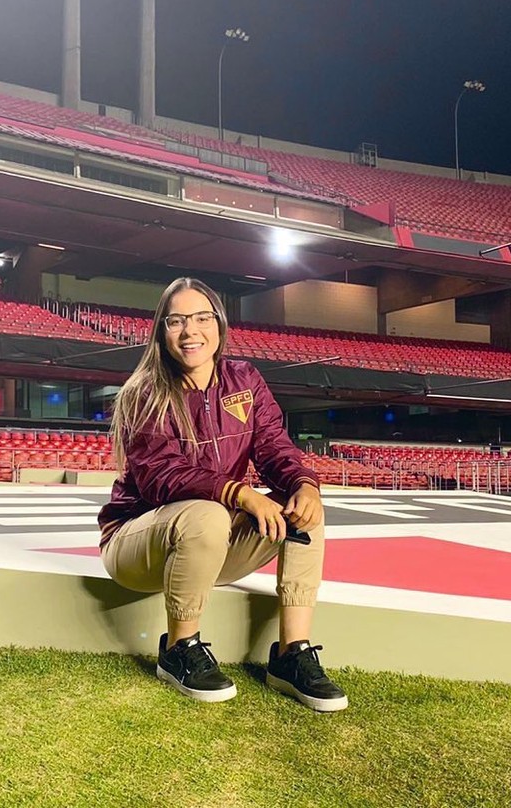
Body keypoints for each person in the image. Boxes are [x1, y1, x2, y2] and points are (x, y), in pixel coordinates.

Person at [98, 276, 347, 712]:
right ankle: (179, 647)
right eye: (176, 321)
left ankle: (292, 654)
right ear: (162, 332)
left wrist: (305, 485)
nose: (190, 331)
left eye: (200, 318)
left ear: (219, 323)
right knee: (207, 513)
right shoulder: (145, 392)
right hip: (138, 543)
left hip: (208, 549)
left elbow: (275, 447)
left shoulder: (244, 379)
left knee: (306, 510)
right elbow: (161, 477)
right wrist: (241, 494)